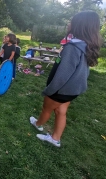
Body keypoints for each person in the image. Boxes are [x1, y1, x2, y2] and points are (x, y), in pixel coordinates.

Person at [29, 11, 102, 148]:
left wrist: (49, 90)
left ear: (79, 26)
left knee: (47, 108)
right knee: (61, 111)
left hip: (61, 89)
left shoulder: (72, 47)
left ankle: (38, 124)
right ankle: (55, 139)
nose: (69, 23)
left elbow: (62, 75)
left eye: (72, 21)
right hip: (73, 90)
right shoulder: (86, 45)